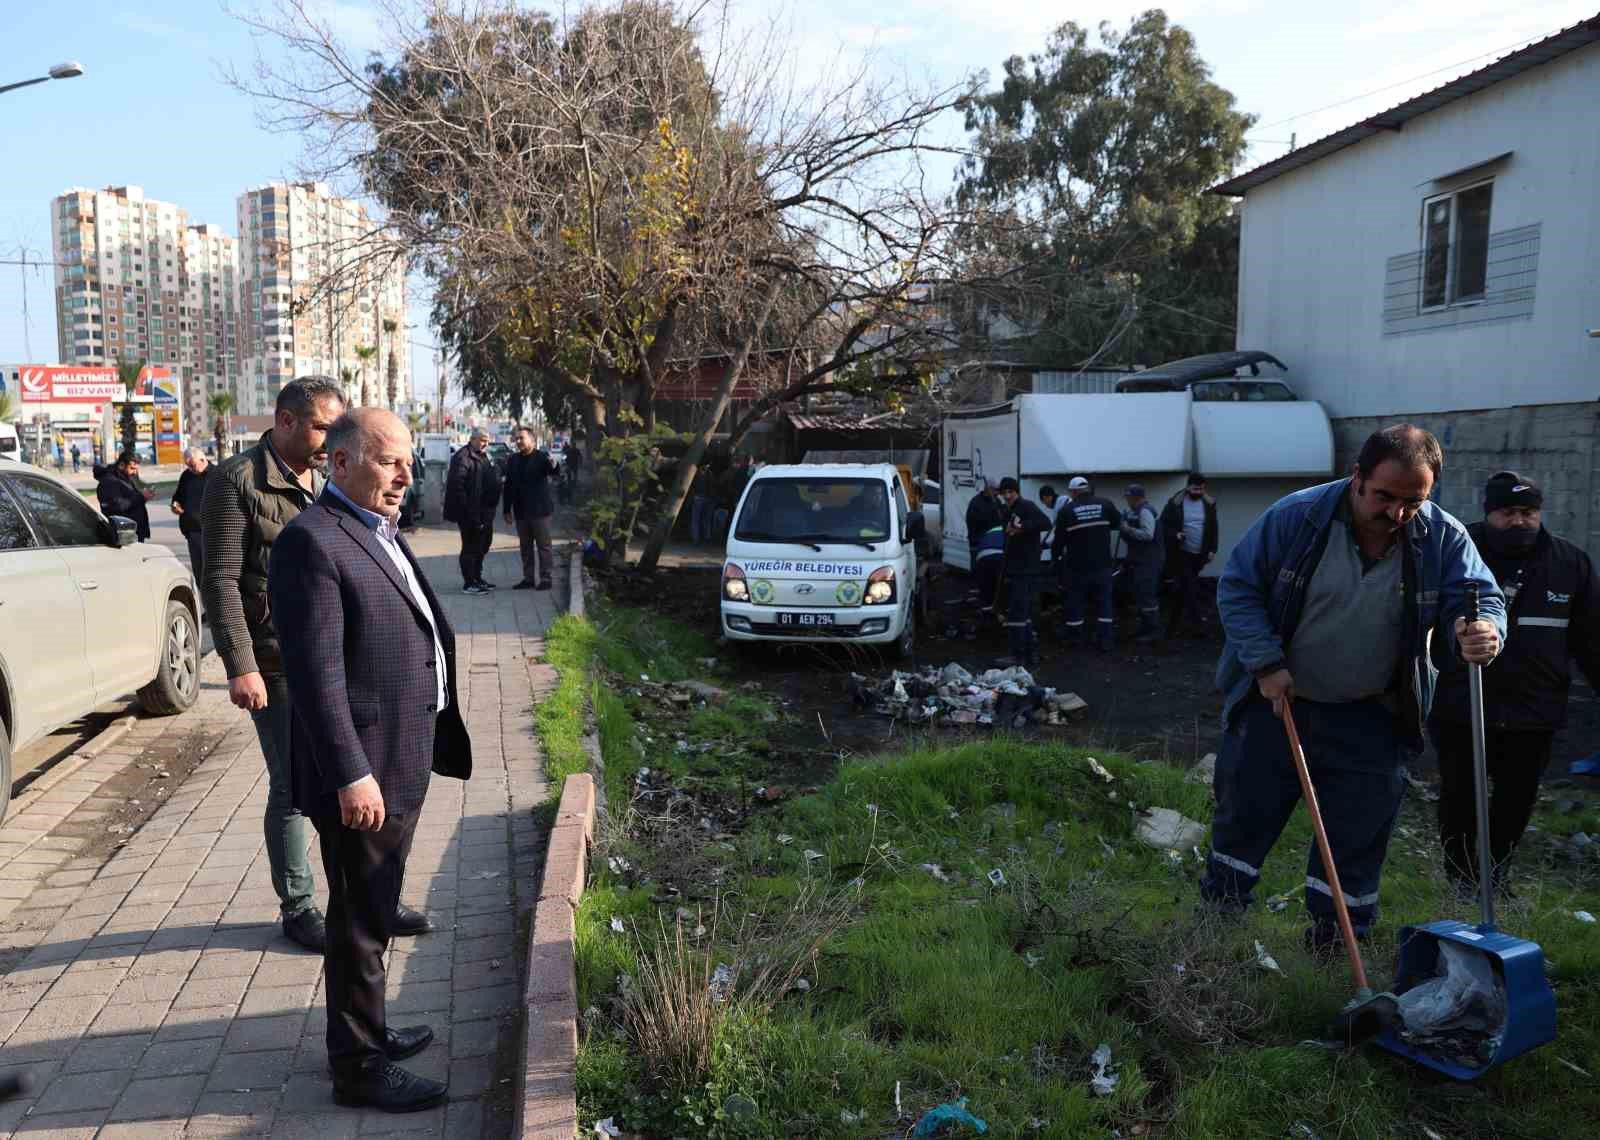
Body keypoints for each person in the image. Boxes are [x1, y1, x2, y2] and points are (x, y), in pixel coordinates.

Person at [1202, 425, 1505, 952]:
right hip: (1279, 705)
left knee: (1357, 840)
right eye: (1385, 496)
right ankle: (1213, 935)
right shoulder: (1296, 519)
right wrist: (1265, 663)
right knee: (1244, 821)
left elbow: (1480, 597)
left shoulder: (1443, 536)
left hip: (1373, 716)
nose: (1398, 512)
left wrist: (1483, 632)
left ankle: (1336, 949)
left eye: (1414, 500)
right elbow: (1239, 588)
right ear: (1357, 476)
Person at [269, 409, 471, 1112]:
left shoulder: (376, 531)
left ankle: (372, 1030)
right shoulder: (310, 543)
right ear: (342, 463)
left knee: (377, 906)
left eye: (408, 461)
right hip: (365, 772)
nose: (405, 475)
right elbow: (316, 674)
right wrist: (351, 773)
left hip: (400, 756)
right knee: (357, 920)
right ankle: (356, 1066)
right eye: (390, 462)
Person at [1429, 472, 1600, 891]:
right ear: (1489, 513)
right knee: (1460, 797)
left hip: (1533, 710)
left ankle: (1495, 876)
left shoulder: (1569, 564)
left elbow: (1591, 639)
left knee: (1515, 800)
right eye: (1508, 513)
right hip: (1462, 705)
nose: (1519, 521)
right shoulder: (1455, 554)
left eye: (1528, 512)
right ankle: (1462, 880)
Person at [1054, 476, 1119, 651]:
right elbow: (1117, 523)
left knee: (1075, 602)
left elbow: (1058, 541)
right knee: (1104, 602)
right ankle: (1105, 640)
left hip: (1078, 567)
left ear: (1073, 492)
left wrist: (1056, 560)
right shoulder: (1105, 504)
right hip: (1103, 565)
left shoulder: (1066, 511)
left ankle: (1075, 639)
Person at [995, 478, 1051, 668]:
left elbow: (1045, 523)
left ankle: (1018, 655)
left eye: (1011, 492)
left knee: (1018, 612)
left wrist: (1022, 528)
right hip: (1016, 567)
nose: (1008, 496)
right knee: (1023, 612)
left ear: (1017, 492)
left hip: (1025, 568)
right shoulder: (1008, 510)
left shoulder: (1026, 506)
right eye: (1005, 492)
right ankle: (1030, 652)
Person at [1161, 472, 1219, 640]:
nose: (1198, 492)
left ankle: (1171, 626)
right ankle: (1199, 626)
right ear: (1188, 487)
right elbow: (1163, 525)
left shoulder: (1209, 503)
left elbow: (1214, 528)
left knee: (1183, 589)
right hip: (1181, 553)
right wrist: (1175, 534)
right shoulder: (1175, 503)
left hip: (1199, 554)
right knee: (1191, 587)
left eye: (1201, 489)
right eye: (1195, 489)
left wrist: (1212, 550)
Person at [501, 425, 560, 590]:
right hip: (521, 511)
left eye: (522, 438)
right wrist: (506, 509)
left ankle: (546, 578)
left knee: (544, 546)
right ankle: (528, 579)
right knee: (525, 547)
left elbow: (553, 472)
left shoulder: (541, 457)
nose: (518, 441)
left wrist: (554, 466)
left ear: (532, 440)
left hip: (540, 511)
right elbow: (509, 486)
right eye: (517, 438)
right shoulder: (513, 460)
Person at [444, 427, 501, 595]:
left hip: (486, 511)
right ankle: (469, 583)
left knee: (483, 545)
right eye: (483, 440)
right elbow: (457, 487)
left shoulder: (484, 455)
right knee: (470, 546)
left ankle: (477, 577)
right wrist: (468, 512)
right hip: (470, 512)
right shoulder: (462, 457)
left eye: (487, 440)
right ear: (473, 439)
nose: (486, 443)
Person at [1120, 483, 1164, 642]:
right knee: (1141, 594)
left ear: (1135, 497)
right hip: (1142, 560)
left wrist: (1127, 529)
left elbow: (1147, 535)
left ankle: (1153, 630)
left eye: (1128, 497)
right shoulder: (1135, 511)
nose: (1127, 500)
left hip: (1149, 560)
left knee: (1147, 594)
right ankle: (1145, 628)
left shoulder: (1145, 511)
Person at [171, 448, 213, 583]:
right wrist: (175, 505)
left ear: (203, 460)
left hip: (212, 531)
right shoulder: (186, 476)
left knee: (213, 571)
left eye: (192, 465)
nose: (190, 468)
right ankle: (203, 601)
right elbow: (178, 497)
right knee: (199, 572)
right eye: (188, 465)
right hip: (192, 531)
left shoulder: (217, 474)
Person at [965, 478, 1006, 614]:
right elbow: (972, 523)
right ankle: (980, 598)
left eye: (998, 491)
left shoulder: (997, 502)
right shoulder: (976, 503)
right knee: (979, 572)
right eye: (995, 490)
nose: (997, 493)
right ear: (987, 488)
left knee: (993, 574)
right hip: (978, 543)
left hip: (993, 542)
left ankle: (991, 598)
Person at [94, 451, 153, 541]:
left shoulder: (125, 477)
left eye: (137, 469)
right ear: (121, 465)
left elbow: (131, 499)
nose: (135, 472)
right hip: (123, 534)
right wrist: (141, 497)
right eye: (132, 468)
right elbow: (118, 505)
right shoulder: (109, 482)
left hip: (134, 531)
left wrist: (143, 497)